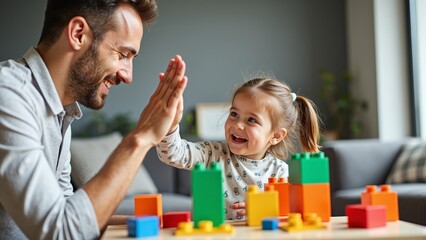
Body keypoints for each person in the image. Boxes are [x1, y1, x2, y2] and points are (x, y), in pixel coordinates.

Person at [0, 0, 188, 239]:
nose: (128, 75)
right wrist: (142, 137)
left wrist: (160, 223)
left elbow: (68, 210)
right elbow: (62, 232)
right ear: (78, 34)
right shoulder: (8, 96)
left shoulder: (60, 112)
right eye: (122, 54)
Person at [156, 77, 320, 220]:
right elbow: (171, 154)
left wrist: (261, 209)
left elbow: (291, 214)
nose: (238, 124)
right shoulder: (211, 153)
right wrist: (170, 126)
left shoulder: (280, 173)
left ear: (276, 136)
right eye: (234, 114)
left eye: (251, 120)